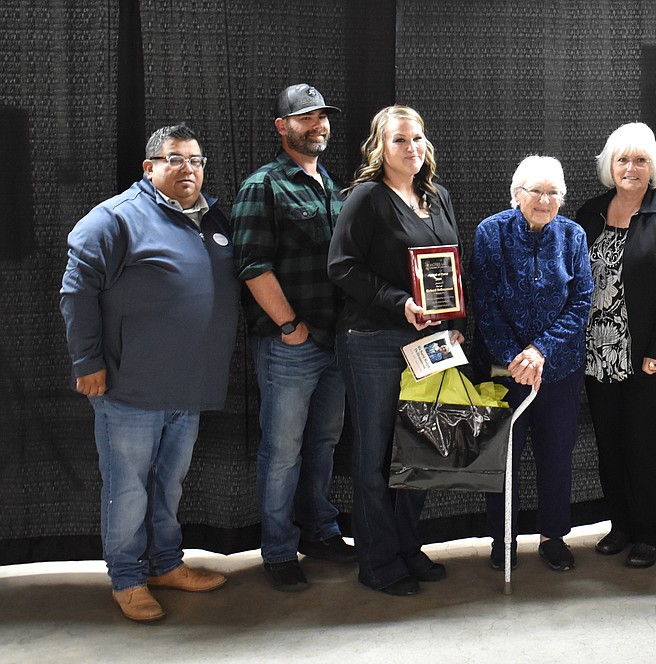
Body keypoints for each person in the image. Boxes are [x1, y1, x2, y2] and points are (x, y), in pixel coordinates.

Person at [60, 124, 238, 622]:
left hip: (189, 384)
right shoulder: (114, 219)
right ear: (149, 166)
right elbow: (76, 293)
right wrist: (87, 362)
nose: (189, 169)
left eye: (197, 160)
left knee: (170, 483)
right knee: (127, 485)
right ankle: (127, 577)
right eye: (176, 159)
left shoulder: (212, 218)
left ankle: (164, 563)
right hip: (129, 387)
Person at [328, 105, 463, 596]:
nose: (412, 148)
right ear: (380, 148)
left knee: (420, 450)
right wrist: (399, 302)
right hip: (373, 342)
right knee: (376, 456)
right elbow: (341, 266)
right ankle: (379, 562)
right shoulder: (365, 198)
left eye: (418, 139)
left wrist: (455, 324)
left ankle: (408, 547)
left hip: (431, 343)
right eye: (400, 140)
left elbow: (452, 266)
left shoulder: (438, 196)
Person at [231, 84, 353, 592]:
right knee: (282, 451)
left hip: (335, 344)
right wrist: (289, 327)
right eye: (305, 118)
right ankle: (279, 549)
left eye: (322, 117)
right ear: (282, 127)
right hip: (290, 346)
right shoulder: (263, 185)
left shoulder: (335, 187)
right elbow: (252, 265)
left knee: (322, 445)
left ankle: (320, 531)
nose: (317, 125)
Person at [574, 123, 656, 568]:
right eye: (623, 160)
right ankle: (621, 524)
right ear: (610, 166)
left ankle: (649, 529)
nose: (631, 168)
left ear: (654, 168)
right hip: (595, 352)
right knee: (608, 440)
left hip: (648, 355)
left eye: (641, 160)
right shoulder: (589, 213)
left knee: (642, 440)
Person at [472, 155, 593, 572]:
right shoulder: (491, 232)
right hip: (503, 371)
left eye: (553, 192)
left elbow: (580, 303)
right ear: (516, 195)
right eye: (535, 191)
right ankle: (502, 537)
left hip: (559, 368)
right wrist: (514, 358)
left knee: (556, 454)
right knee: (501, 457)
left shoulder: (574, 235)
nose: (545, 199)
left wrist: (541, 350)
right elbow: (484, 302)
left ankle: (553, 536)